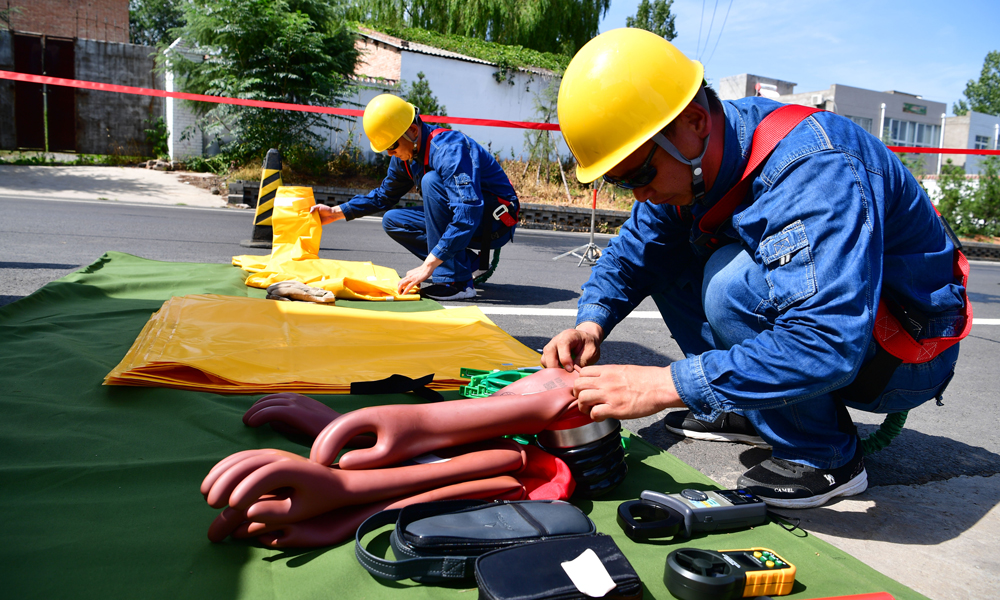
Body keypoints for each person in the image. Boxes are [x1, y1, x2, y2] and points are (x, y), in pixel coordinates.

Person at [541, 28, 969, 509]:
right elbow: (632, 254)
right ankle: (753, 406)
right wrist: (591, 325)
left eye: (640, 174)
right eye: (622, 183)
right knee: (664, 256)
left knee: (731, 285)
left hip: (904, 352)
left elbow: (828, 341)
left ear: (695, 122)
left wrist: (667, 385)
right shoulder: (693, 162)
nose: (639, 194)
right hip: (856, 337)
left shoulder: (814, 170)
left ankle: (823, 456)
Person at [310, 94, 520, 301]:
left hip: (493, 224)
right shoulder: (406, 155)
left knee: (431, 181)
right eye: (386, 149)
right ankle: (465, 264)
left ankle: (458, 283)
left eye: (392, 146)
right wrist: (336, 212)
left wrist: (427, 266)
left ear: (412, 131)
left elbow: (468, 213)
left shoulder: (448, 151)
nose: (390, 154)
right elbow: (383, 196)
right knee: (393, 220)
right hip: (471, 219)